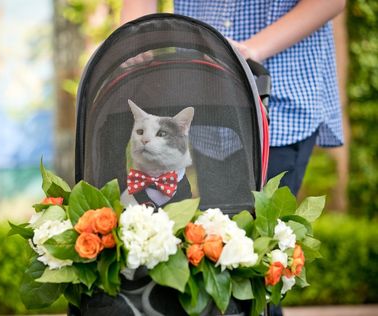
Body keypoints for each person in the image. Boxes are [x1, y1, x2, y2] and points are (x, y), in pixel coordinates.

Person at [120, 0, 346, 315]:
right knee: (218, 253)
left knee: (259, 258)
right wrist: (130, 40)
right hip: (205, 93)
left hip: (279, 94)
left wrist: (251, 50)